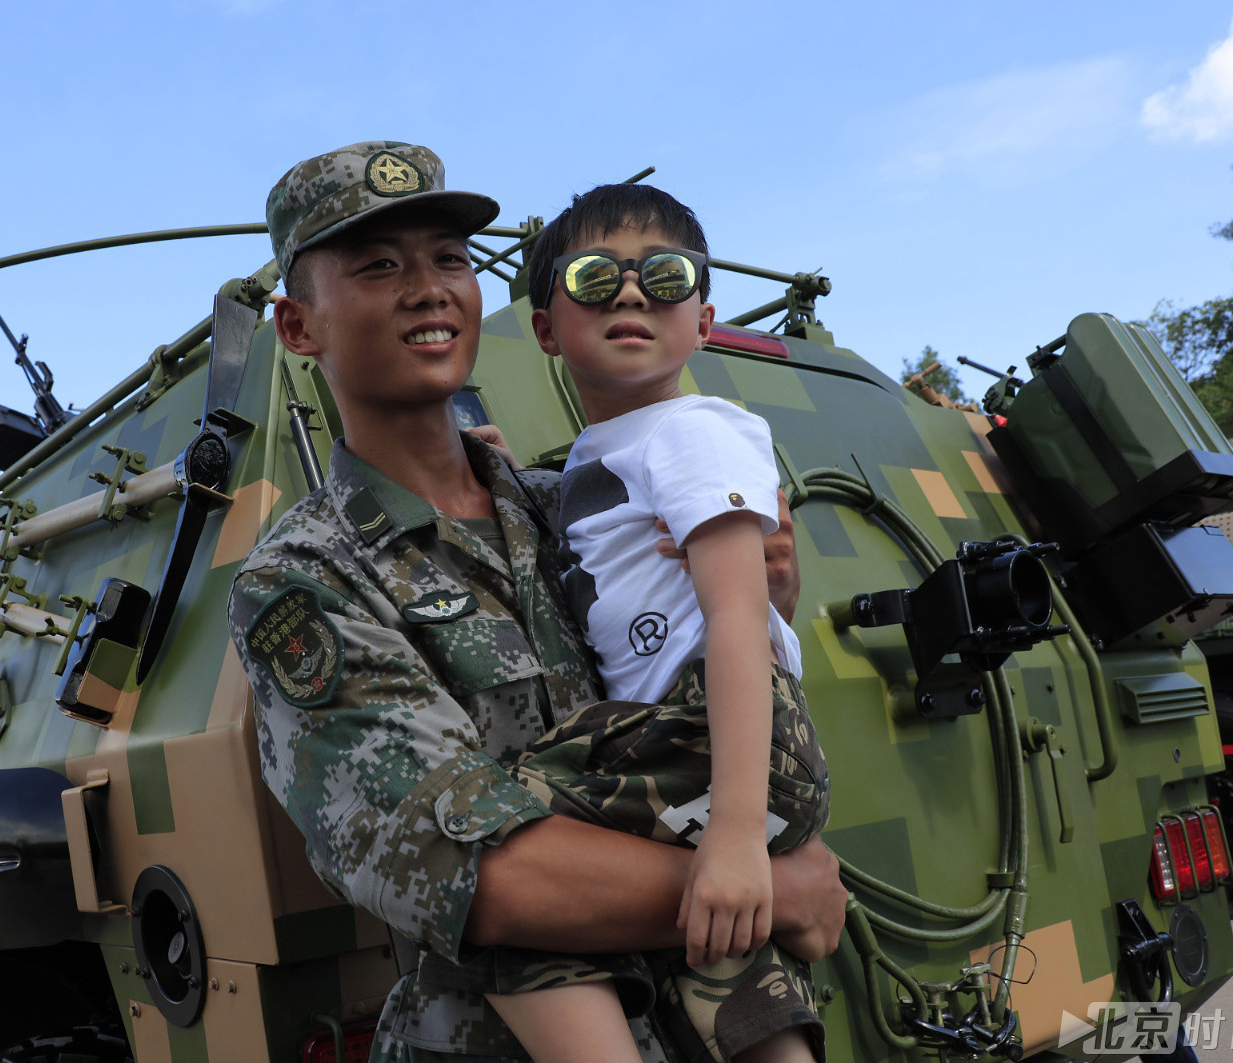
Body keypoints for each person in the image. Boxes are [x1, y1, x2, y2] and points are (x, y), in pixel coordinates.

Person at [226, 141, 846, 1063]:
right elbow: (473, 870)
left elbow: (691, 673)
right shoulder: (302, 580)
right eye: (379, 265)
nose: (429, 288)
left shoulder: (569, 502)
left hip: (706, 1015)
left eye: (450, 259)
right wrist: (770, 882)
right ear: (296, 326)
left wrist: (770, 598)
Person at [416, 184, 831, 1063]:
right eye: (597, 276)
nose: (634, 293)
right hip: (695, 740)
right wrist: (479, 462)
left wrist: (733, 834)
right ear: (542, 328)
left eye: (666, 275)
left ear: (706, 318)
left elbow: (736, 618)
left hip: (702, 733)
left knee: (484, 857)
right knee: (714, 942)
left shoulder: (691, 437)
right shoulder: (605, 457)